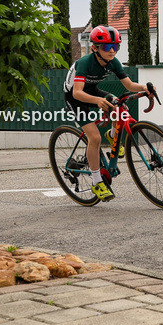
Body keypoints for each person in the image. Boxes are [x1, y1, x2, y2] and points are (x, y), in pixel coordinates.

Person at [63, 26, 152, 201]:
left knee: (119, 106)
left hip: (92, 90)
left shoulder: (113, 62)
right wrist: (97, 101)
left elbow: (129, 85)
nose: (112, 51)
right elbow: (77, 93)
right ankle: (97, 182)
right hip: (74, 96)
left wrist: (145, 88)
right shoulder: (85, 63)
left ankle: (112, 135)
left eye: (115, 47)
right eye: (106, 47)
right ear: (95, 48)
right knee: (94, 138)